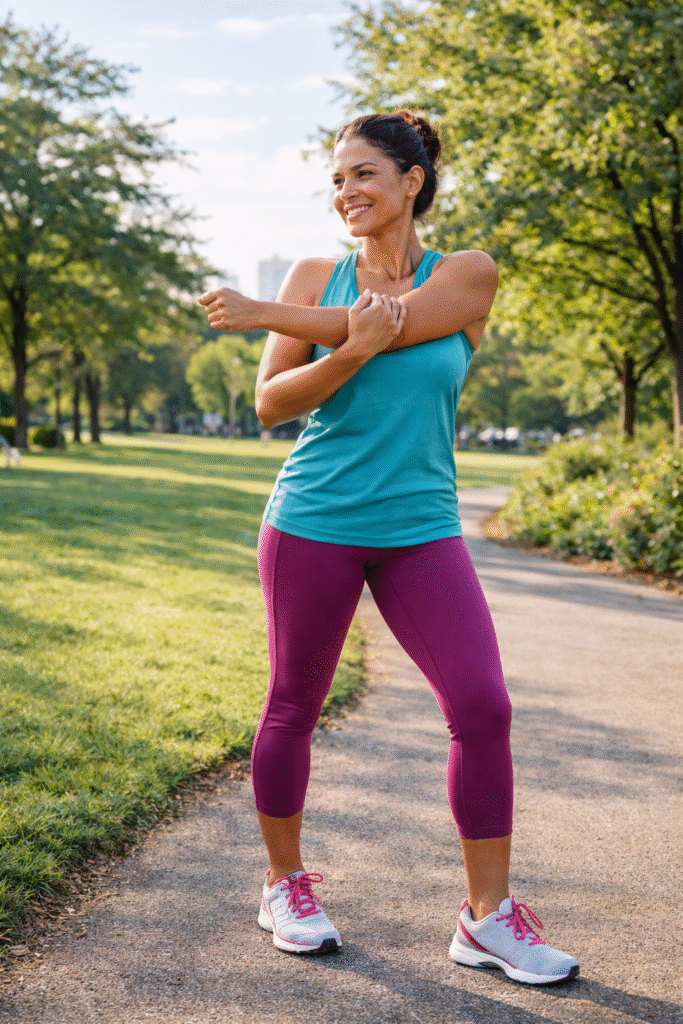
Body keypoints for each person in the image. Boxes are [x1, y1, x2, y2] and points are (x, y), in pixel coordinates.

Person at [198, 110, 579, 986]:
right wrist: (342, 349)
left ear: (411, 181)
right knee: (292, 702)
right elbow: (271, 406)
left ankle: (486, 920)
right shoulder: (313, 275)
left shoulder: (468, 275)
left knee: (482, 707)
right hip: (312, 520)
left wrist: (266, 313)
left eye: (364, 174)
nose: (346, 192)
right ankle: (282, 884)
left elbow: (398, 320)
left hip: (420, 530)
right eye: (336, 179)